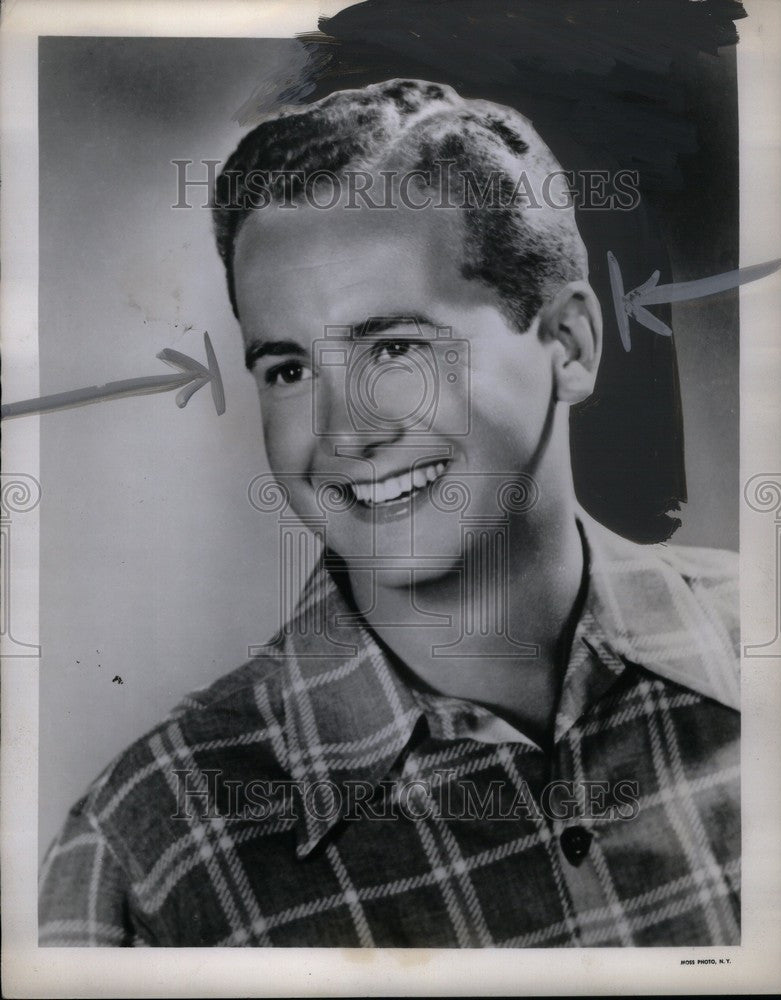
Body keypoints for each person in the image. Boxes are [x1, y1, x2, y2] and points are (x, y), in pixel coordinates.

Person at [39, 79, 740, 947]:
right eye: (289, 369)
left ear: (568, 344)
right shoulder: (142, 859)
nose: (341, 435)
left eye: (395, 348)